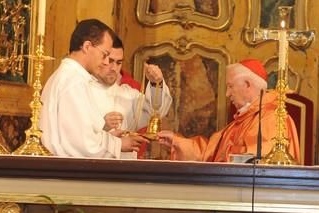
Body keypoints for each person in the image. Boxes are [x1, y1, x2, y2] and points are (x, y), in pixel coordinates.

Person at [157, 59, 300, 163]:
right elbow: (210, 152)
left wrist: (227, 153)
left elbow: (256, 160)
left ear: (247, 85)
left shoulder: (271, 118)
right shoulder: (243, 120)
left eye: (230, 86)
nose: (227, 94)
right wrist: (178, 142)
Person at [40, 19, 145, 158]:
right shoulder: (73, 81)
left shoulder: (70, 76)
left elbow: (82, 133)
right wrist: (118, 144)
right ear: (87, 47)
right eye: (105, 54)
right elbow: (81, 144)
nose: (106, 62)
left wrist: (109, 137)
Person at [90, 35, 172, 159]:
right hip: (91, 170)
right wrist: (103, 125)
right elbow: (75, 136)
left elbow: (156, 111)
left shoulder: (127, 94)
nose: (114, 68)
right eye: (110, 61)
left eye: (118, 63)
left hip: (124, 170)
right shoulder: (82, 90)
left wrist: (156, 83)